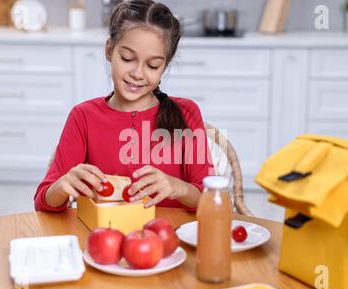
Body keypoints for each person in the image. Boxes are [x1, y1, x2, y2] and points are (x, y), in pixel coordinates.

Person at [34, 0, 214, 212]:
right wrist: (62, 186)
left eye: (152, 65)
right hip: (105, 238)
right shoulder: (83, 117)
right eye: (127, 58)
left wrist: (179, 188)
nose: (137, 73)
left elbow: (213, 201)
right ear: (109, 50)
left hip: (171, 240)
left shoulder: (186, 113)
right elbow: (42, 202)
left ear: (164, 66)